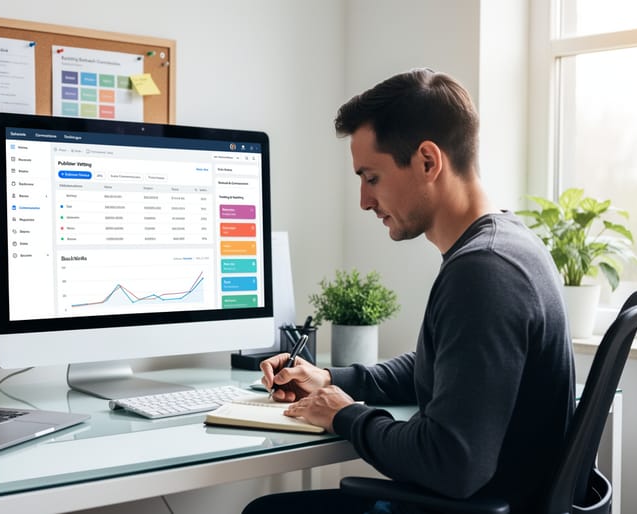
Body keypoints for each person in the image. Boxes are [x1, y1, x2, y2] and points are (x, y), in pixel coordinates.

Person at [243, 69, 575, 514]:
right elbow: (445, 367)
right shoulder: (508, 244)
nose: (363, 200)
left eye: (371, 177)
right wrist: (331, 381)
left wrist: (345, 415)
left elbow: (451, 462)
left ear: (427, 161)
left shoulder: (485, 272)